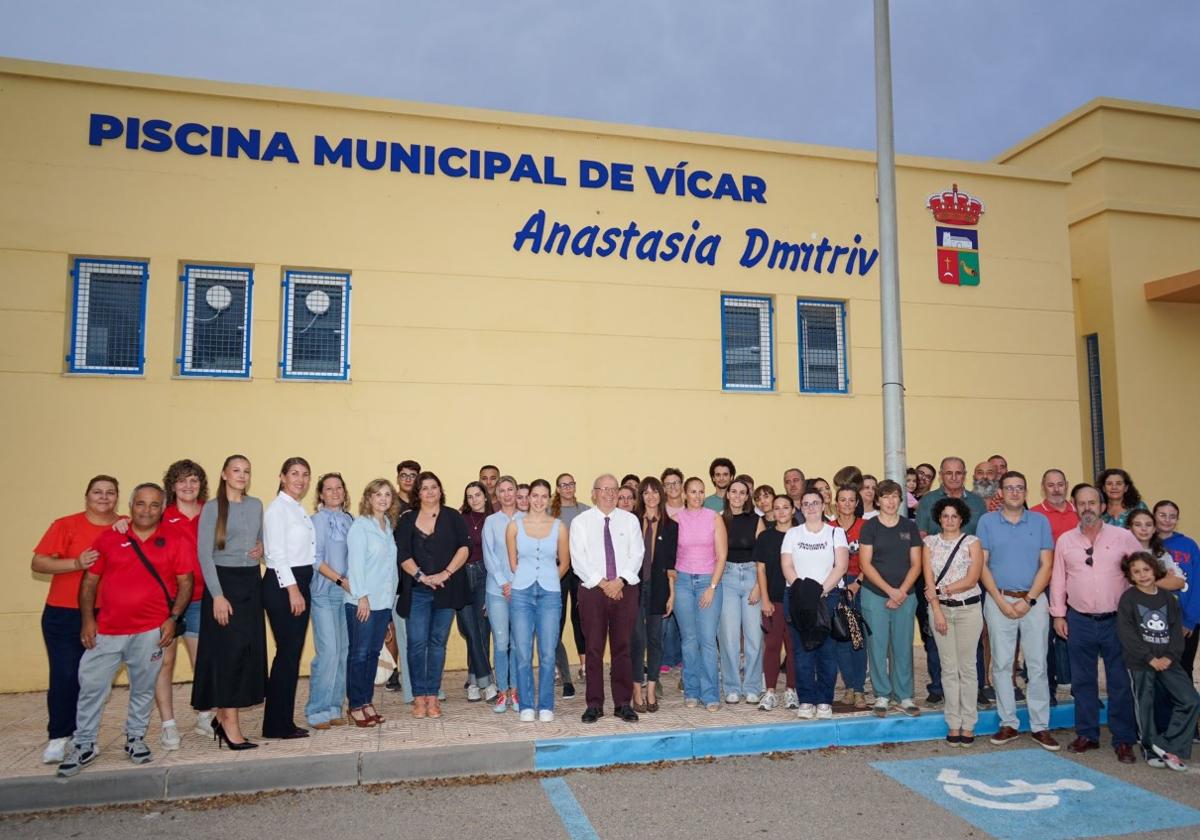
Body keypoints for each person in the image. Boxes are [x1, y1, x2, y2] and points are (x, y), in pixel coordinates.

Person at [55, 483, 194, 777]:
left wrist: (173, 617)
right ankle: (84, 744)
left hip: (151, 631)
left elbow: (185, 582)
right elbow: (89, 582)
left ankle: (135, 738)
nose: (147, 510)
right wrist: (88, 620)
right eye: (141, 503)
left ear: (162, 508)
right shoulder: (109, 538)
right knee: (92, 687)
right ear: (131, 506)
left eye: (154, 505)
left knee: (143, 688)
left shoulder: (174, 540)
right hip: (107, 631)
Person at [1051, 483, 1161, 762]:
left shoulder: (1123, 537)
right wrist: (1059, 614)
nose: (1088, 508)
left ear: (1102, 507)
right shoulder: (1065, 540)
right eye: (1082, 503)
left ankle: (1124, 738)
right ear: (1075, 507)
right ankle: (1087, 734)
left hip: (1118, 621)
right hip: (1079, 620)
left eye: (1093, 503)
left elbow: (1142, 572)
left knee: (1119, 681)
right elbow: (1059, 579)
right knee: (1082, 680)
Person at [32, 475, 122, 765]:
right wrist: (76, 563)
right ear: (87, 496)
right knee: (65, 675)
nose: (104, 497)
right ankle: (59, 736)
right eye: (98, 492)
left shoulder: (125, 526)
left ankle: (86, 738)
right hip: (63, 613)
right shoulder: (66, 525)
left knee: (95, 681)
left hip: (106, 614)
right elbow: (39, 562)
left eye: (110, 493)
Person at [978, 471, 1057, 750]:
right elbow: (982, 564)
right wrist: (1000, 602)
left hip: (1033, 602)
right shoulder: (987, 522)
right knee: (1000, 664)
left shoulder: (1040, 521)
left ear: (1026, 491)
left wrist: (1030, 600)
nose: (1014, 492)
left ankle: (1040, 726)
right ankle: (1008, 723)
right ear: (1000, 491)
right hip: (998, 600)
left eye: (1019, 488)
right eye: (1009, 488)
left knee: (1037, 665)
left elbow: (1046, 565)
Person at [191, 455, 265, 749]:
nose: (242, 475)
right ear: (223, 474)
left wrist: (261, 549)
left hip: (250, 583)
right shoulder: (211, 508)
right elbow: (204, 555)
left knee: (246, 653)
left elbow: (261, 543)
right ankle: (229, 723)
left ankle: (224, 716)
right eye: (236, 470)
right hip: (223, 584)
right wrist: (217, 595)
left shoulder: (256, 505)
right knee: (228, 655)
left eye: (246, 471)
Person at [395, 471, 471, 719]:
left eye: (434, 487)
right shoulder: (407, 520)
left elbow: (464, 547)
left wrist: (445, 573)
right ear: (418, 493)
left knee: (437, 644)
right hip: (417, 591)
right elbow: (402, 552)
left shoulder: (453, 517)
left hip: (446, 590)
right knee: (417, 644)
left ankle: (432, 695)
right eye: (424, 488)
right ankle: (418, 697)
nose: (429, 492)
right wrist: (421, 576)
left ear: (440, 490)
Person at [572, 474, 645, 723]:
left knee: (622, 647)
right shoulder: (581, 522)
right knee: (593, 648)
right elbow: (578, 558)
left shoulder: (630, 520)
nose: (610, 493)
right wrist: (603, 584)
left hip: (624, 588)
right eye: (604, 489)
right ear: (594, 493)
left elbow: (637, 554)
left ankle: (623, 703)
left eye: (614, 489)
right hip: (593, 589)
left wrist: (619, 581)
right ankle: (594, 704)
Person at [1117, 552, 1199, 770]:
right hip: (1141, 663)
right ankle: (1149, 748)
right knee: (1145, 704)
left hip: (1168, 661)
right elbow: (1127, 634)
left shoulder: (1167, 598)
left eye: (1146, 569)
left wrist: (1169, 657)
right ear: (1130, 576)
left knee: (1190, 699)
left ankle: (1168, 745)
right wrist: (1150, 658)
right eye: (1136, 571)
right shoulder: (1129, 598)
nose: (1142, 575)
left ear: (1155, 570)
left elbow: (1175, 632)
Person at [149, 460, 211, 747]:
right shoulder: (161, 514)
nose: (188, 486)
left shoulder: (210, 512)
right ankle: (168, 724)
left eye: (194, 481)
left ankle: (204, 715)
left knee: (202, 661)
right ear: (172, 485)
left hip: (201, 599)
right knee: (166, 661)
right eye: (182, 481)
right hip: (167, 602)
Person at [915, 457, 987, 703]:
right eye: (949, 473)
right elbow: (923, 536)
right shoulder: (928, 501)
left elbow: (983, 539)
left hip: (970, 583)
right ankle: (938, 687)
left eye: (958, 473)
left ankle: (974, 689)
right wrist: (933, 587)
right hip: (935, 578)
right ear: (941, 475)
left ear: (964, 474)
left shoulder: (977, 502)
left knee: (972, 642)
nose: (954, 477)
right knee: (936, 637)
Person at [507, 479, 570, 722]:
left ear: (549, 499)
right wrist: (524, 577)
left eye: (544, 496)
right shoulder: (514, 526)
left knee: (547, 652)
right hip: (521, 593)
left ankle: (545, 705)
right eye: (535, 495)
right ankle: (525, 705)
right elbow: (513, 562)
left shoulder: (559, 527)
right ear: (528, 497)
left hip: (550, 595)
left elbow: (564, 561)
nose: (539, 500)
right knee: (523, 651)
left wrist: (550, 578)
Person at [922, 497, 984, 746]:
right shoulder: (929, 543)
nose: (949, 520)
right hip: (941, 610)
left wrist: (942, 590)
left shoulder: (972, 543)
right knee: (948, 668)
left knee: (967, 668)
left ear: (962, 519)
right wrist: (936, 610)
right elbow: (928, 581)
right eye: (945, 515)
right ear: (939, 517)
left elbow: (971, 579)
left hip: (968, 610)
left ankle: (969, 724)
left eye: (954, 516)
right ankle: (953, 722)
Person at [261, 457, 316, 740]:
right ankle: (277, 725)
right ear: (282, 477)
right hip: (285, 586)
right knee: (286, 656)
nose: (300, 479)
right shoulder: (277, 510)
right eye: (294, 473)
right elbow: (278, 555)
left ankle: (280, 721)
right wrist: (293, 590)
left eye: (305, 474)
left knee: (290, 656)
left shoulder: (296, 509)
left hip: (298, 581)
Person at [858, 479, 923, 718]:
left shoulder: (909, 526)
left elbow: (916, 564)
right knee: (877, 646)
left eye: (895, 496)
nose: (890, 501)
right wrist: (889, 591)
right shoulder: (870, 527)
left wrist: (901, 591)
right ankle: (882, 695)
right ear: (877, 500)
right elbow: (865, 563)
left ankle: (904, 696)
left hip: (906, 595)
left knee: (903, 645)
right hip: (875, 594)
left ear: (900, 499)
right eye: (885, 497)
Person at [782, 490, 849, 720]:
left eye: (815, 503)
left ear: (823, 505)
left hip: (827, 598)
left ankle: (824, 701)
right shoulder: (792, 533)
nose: (811, 507)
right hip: (799, 598)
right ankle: (806, 700)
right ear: (800, 507)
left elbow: (840, 566)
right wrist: (803, 591)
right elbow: (787, 565)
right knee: (802, 652)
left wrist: (819, 591)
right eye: (806, 504)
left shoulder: (836, 533)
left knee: (827, 653)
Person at [344, 479, 400, 728]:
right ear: (368, 498)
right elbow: (355, 565)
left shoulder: (388, 525)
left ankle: (366, 701)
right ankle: (355, 705)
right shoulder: (361, 526)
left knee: (373, 654)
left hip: (383, 601)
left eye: (387, 494)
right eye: (378, 494)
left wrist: (388, 607)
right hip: (362, 601)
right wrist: (361, 597)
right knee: (359, 654)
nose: (383, 499)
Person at [675, 477, 728, 711]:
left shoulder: (714, 518)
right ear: (685, 494)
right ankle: (692, 691)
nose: (697, 496)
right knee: (688, 640)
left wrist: (712, 587)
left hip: (709, 581)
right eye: (692, 492)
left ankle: (710, 694)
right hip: (683, 582)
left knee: (707, 640)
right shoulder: (676, 519)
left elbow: (722, 556)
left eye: (700, 492)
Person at [306, 473, 354, 730]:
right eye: (329, 489)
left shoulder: (349, 519)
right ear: (321, 494)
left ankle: (335, 707)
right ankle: (317, 710)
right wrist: (339, 580)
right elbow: (315, 558)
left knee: (344, 652)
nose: (335, 492)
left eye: (339, 488)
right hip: (324, 592)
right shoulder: (316, 521)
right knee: (328, 652)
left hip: (346, 594)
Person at [1031, 468, 1080, 706]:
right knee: (1045, 639)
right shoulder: (1034, 514)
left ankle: (1080, 689)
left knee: (1078, 638)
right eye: (1051, 485)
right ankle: (1048, 689)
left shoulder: (1079, 512)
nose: (1056, 489)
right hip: (1046, 586)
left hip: (1077, 587)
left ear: (1066, 485)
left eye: (1060, 484)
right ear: (1043, 487)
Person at [630, 477, 677, 713]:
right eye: (645, 492)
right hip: (635, 588)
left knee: (656, 640)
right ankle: (636, 690)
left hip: (659, 588)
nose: (650, 496)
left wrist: (672, 594)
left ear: (661, 494)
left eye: (654, 491)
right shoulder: (631, 522)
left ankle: (651, 690)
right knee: (637, 640)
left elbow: (671, 565)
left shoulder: (671, 526)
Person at [719, 478, 764, 704]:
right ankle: (732, 686)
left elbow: (763, 556)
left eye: (742, 492)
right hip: (726, 578)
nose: (737, 496)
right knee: (728, 636)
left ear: (747, 497)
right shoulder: (718, 520)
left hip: (751, 576)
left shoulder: (756, 520)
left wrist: (758, 586)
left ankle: (753, 686)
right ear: (727, 495)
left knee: (754, 636)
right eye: (733, 492)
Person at [755, 494, 798, 711]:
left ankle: (791, 690)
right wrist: (765, 598)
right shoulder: (765, 538)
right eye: (777, 508)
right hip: (773, 600)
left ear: (792, 510)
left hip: (796, 601)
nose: (781, 512)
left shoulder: (802, 535)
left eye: (785, 507)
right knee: (771, 647)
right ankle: (770, 691)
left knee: (793, 648)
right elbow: (761, 569)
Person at [483, 476, 522, 713]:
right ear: (496, 494)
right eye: (502, 490)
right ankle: (502, 691)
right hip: (496, 590)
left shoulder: (527, 520)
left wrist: (516, 583)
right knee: (501, 642)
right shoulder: (491, 521)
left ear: (517, 492)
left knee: (518, 644)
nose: (507, 494)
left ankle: (516, 692)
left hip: (521, 590)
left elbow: (529, 555)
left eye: (511, 489)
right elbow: (489, 556)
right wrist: (503, 582)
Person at [551, 472, 589, 697]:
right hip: (556, 569)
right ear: (557, 488)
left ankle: (584, 667)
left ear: (575, 486)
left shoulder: (585, 510)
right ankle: (558, 668)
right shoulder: (549, 512)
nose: (567, 488)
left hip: (580, 570)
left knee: (580, 618)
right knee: (556, 618)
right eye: (563, 485)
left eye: (570, 484)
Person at [385, 460, 421, 695]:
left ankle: (413, 675)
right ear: (398, 478)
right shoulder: (390, 503)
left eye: (412, 476)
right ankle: (391, 671)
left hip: (418, 571)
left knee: (412, 628)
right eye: (404, 475)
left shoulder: (422, 502)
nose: (408, 479)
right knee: (393, 625)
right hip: (395, 571)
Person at [458, 481, 496, 702]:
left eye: (477, 495)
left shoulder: (493, 519)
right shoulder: (460, 519)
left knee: (481, 628)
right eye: (469, 496)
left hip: (484, 574)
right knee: (469, 629)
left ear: (485, 496)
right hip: (461, 576)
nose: (474, 499)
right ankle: (481, 679)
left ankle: (478, 683)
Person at [1154, 500, 1200, 683]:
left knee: (1184, 668)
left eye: (1172, 516)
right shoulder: (1146, 543)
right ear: (1154, 516)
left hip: (1185, 618)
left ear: (1177, 519)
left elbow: (1197, 583)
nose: (1167, 520)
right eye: (1162, 515)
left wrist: (1190, 620)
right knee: (1160, 671)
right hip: (1156, 618)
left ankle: (1189, 710)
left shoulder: (1189, 545)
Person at [832, 486, 868, 709]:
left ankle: (859, 689)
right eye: (842, 500)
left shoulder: (865, 527)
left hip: (858, 584)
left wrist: (858, 583)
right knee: (840, 637)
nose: (846, 504)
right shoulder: (829, 528)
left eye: (850, 500)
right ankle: (848, 687)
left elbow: (871, 560)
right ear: (836, 503)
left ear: (856, 503)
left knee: (857, 637)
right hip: (836, 585)